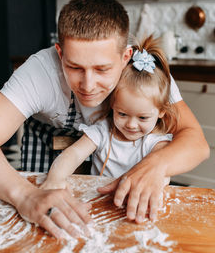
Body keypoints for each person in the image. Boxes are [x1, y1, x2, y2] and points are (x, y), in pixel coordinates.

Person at [0, 0, 209, 239]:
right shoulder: (40, 71)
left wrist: (157, 165)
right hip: (49, 152)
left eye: (102, 69)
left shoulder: (145, 74)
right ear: (60, 53)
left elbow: (195, 140)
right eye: (74, 67)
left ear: (125, 57)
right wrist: (25, 196)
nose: (88, 84)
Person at [41, 36, 180, 222]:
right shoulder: (103, 131)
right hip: (98, 206)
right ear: (112, 104)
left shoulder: (156, 142)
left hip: (134, 208)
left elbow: (163, 176)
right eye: (122, 114)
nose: (131, 124)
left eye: (142, 118)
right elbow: (72, 154)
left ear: (161, 112)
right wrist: (55, 180)